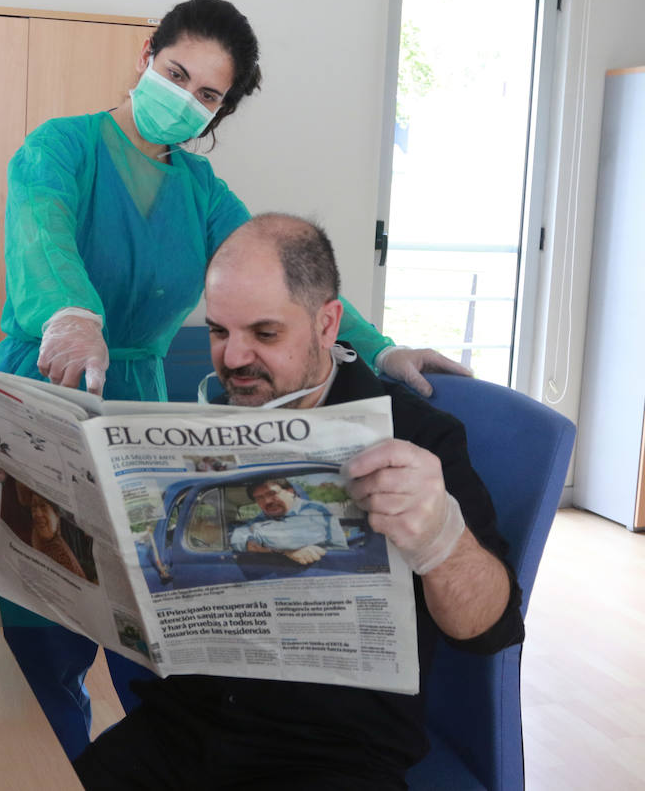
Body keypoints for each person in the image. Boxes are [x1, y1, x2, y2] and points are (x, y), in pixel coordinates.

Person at [0, 0, 471, 760]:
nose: (185, 99)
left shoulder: (200, 193)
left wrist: (383, 349)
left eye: (207, 94)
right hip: (48, 390)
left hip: (140, 414)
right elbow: (43, 235)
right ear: (145, 58)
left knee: (156, 640)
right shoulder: (60, 148)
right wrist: (68, 312)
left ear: (219, 110)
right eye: (176, 73)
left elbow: (290, 280)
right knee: (41, 647)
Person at [66, 213, 524, 789]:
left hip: (330, 758)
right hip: (180, 731)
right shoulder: (203, 423)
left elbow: (491, 629)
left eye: (264, 334)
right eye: (218, 331)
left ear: (327, 324)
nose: (233, 359)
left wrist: (444, 542)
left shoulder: (413, 435)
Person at [229, 478, 348, 564]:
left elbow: (286, 539)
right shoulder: (264, 516)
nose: (267, 501)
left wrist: (255, 538)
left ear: (290, 491)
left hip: (331, 570)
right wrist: (286, 552)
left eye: (272, 493)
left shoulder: (316, 510)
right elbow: (235, 537)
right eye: (259, 498)